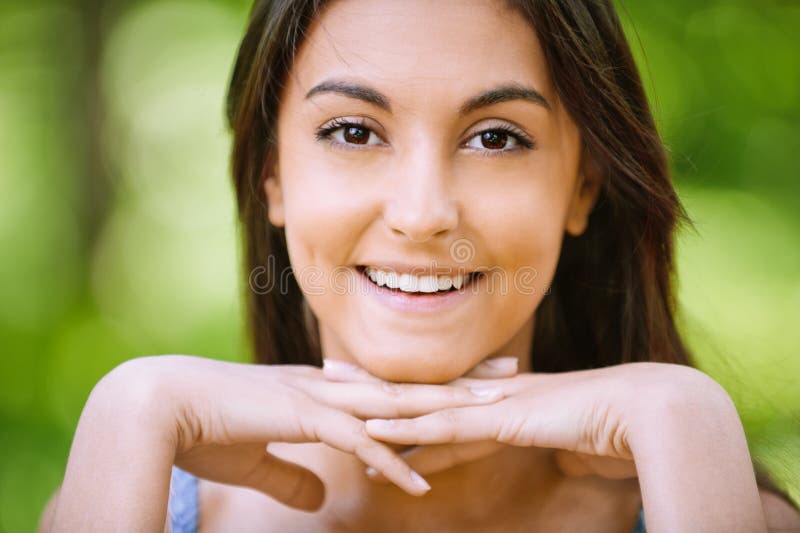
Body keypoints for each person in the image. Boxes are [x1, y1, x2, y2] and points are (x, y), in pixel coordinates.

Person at [39, 0, 800, 531]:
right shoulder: (132, 496)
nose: (423, 211)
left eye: (496, 137)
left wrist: (686, 422)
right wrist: (130, 408)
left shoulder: (707, 498)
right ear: (274, 174)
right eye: (352, 130)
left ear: (583, 184)